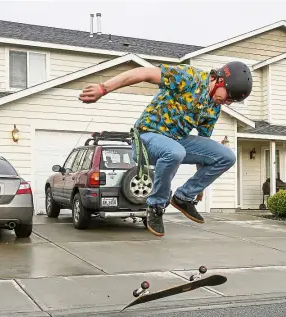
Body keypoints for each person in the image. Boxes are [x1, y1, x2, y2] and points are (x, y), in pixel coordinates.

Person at [78, 61, 253, 237]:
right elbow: (143, 73)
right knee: (175, 151)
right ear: (220, 80)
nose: (227, 102)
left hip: (176, 141)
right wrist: (103, 88)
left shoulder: (213, 108)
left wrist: (198, 188)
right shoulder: (189, 77)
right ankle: (155, 206)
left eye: (232, 101)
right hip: (147, 137)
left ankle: (183, 198)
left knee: (226, 156)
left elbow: (204, 149)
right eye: (229, 96)